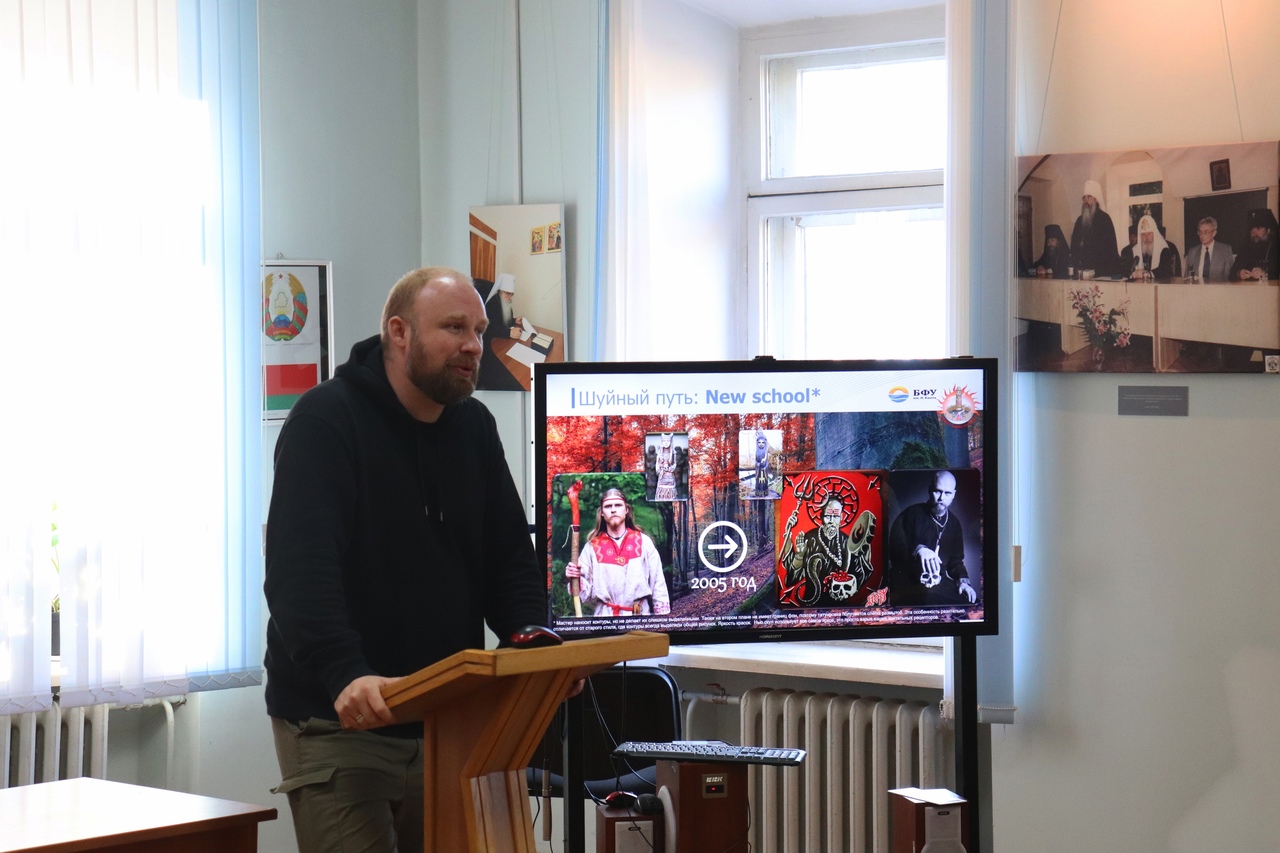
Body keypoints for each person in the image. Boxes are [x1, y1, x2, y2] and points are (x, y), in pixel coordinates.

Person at [263, 266, 549, 853]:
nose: (474, 345)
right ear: (399, 332)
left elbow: (508, 561)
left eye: (478, 330)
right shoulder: (325, 420)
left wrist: (532, 644)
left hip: (446, 721)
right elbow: (300, 574)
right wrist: (345, 672)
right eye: (454, 328)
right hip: (341, 718)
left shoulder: (475, 427)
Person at [565, 488, 671, 616]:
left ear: (626, 510)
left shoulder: (643, 542)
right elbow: (585, 595)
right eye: (608, 506)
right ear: (602, 513)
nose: (613, 510)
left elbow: (658, 584)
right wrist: (574, 577)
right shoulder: (592, 547)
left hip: (639, 617)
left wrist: (663, 619)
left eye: (618, 505)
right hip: (605, 619)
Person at [888, 471, 978, 607]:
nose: (941, 498)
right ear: (930, 489)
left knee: (971, 602)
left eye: (947, 493)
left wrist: (963, 582)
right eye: (938, 491)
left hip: (938, 582)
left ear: (953, 494)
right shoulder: (911, 514)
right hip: (908, 582)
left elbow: (956, 561)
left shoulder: (954, 523)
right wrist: (918, 550)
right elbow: (893, 549)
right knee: (927, 599)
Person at [777, 493, 875, 607]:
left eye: (835, 516)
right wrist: (799, 555)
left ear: (841, 517)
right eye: (828, 516)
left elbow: (858, 577)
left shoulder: (847, 542)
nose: (831, 521)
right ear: (821, 516)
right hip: (810, 606)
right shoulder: (809, 539)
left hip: (840, 607)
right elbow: (791, 581)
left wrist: (864, 542)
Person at [1070, 180, 1122, 276]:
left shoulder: (1104, 219)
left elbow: (1109, 249)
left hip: (1101, 271)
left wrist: (1096, 269)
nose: (1086, 201)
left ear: (1096, 200)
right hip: (1082, 271)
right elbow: (1074, 247)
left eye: (1089, 197)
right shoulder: (1079, 221)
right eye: (1084, 198)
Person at [1229, 208, 1279, 281]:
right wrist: (1239, 274)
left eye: (1258, 228)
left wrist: (1265, 274)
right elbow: (1232, 273)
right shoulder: (1246, 248)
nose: (1254, 232)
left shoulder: (1276, 247)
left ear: (1268, 230)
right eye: (1252, 229)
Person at [1128, 215, 1177, 281]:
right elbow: (1128, 270)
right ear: (1139, 237)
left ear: (1154, 234)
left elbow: (1166, 271)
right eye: (1143, 235)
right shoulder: (1134, 251)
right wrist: (1133, 274)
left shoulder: (1163, 249)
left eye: (1149, 234)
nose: (1146, 238)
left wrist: (1148, 274)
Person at [1185, 217, 1233, 282]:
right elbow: (1187, 277)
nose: (1202, 235)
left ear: (1214, 233)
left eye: (1206, 232)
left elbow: (1228, 278)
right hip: (1197, 287)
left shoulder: (1225, 250)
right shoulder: (1192, 252)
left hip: (1217, 287)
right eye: (1200, 232)